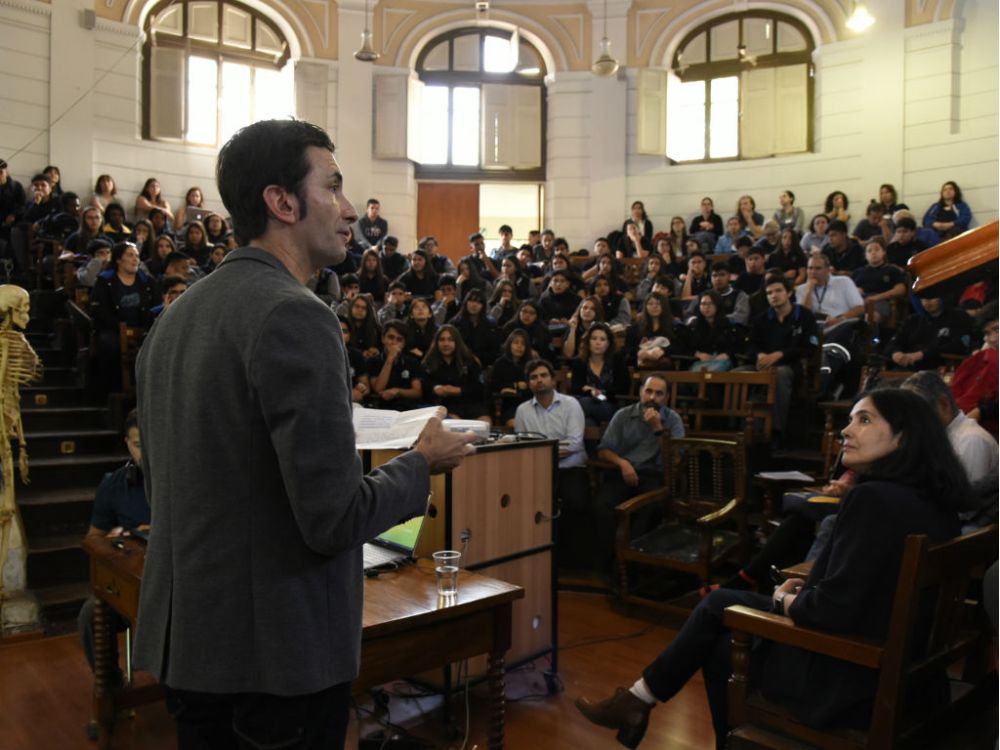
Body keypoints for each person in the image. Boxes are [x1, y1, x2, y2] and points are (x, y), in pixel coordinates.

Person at [133, 119, 474, 749]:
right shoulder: (295, 315)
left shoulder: (174, 320)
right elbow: (332, 520)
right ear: (282, 202)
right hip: (273, 662)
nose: (351, 212)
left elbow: (171, 489)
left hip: (193, 646)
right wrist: (422, 463)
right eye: (335, 188)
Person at [575, 388, 968, 749]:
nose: (846, 430)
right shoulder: (938, 503)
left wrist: (785, 602)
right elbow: (867, 587)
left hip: (850, 680)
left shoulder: (872, 500)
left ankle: (688, 725)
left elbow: (832, 611)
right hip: (910, 676)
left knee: (718, 643)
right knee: (719, 605)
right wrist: (809, 589)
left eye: (864, 420)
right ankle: (638, 701)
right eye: (849, 418)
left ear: (902, 437)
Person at [78, 411, 148, 689]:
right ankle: (111, 687)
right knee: (90, 615)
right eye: (138, 445)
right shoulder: (114, 484)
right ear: (127, 444)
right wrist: (116, 539)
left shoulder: (180, 480)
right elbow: (93, 540)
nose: (146, 453)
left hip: (175, 585)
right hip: (131, 583)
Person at [588, 373, 685, 573]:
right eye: (648, 391)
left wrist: (658, 428)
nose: (652, 397)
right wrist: (622, 462)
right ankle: (609, 561)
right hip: (623, 472)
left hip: (654, 476)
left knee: (648, 510)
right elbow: (604, 449)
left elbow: (675, 458)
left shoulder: (673, 419)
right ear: (641, 392)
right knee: (602, 505)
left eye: (659, 393)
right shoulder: (623, 415)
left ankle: (628, 567)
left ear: (665, 398)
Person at [514, 359, 589, 567]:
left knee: (575, 503)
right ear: (528, 383)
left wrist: (542, 451)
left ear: (553, 379)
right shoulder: (523, 411)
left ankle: (570, 562)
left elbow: (574, 444)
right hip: (538, 470)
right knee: (525, 504)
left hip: (570, 468)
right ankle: (538, 557)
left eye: (543, 375)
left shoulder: (570, 404)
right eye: (533, 377)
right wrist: (549, 451)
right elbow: (523, 446)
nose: (539, 380)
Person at [744, 275, 818, 442]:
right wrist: (759, 354)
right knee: (736, 373)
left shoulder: (805, 316)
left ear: (789, 292)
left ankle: (776, 431)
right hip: (762, 365)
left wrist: (781, 354)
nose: (773, 296)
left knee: (779, 374)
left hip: (792, 366)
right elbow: (750, 344)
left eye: (778, 291)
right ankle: (740, 429)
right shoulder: (761, 319)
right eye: (769, 293)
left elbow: (809, 348)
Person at [421, 324, 490, 422]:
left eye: (450, 340)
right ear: (436, 342)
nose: (446, 344)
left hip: (472, 404)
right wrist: (435, 389)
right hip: (447, 406)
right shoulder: (429, 362)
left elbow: (479, 388)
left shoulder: (470, 360)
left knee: (485, 423)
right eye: (442, 340)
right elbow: (424, 387)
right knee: (453, 425)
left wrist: (458, 390)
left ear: (457, 342)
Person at [568, 322, 628, 427]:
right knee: (588, 423)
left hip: (609, 403)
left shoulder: (617, 360)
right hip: (588, 402)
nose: (597, 343)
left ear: (608, 343)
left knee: (584, 405)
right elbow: (575, 387)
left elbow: (623, 387)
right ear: (588, 342)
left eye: (602, 339)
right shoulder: (579, 361)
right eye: (594, 338)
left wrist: (601, 393)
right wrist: (591, 392)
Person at [687, 290, 743, 372]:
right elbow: (685, 345)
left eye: (711, 303)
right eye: (703, 304)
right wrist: (698, 354)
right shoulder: (694, 325)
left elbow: (739, 345)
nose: (707, 307)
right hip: (701, 362)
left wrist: (728, 354)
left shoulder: (728, 325)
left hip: (722, 361)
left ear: (718, 305)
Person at [492, 329, 534, 426]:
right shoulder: (500, 363)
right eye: (516, 343)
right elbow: (494, 385)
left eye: (523, 344)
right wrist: (514, 385)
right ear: (509, 344)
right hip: (509, 406)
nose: (519, 346)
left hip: (529, 404)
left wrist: (521, 389)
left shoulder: (530, 364)